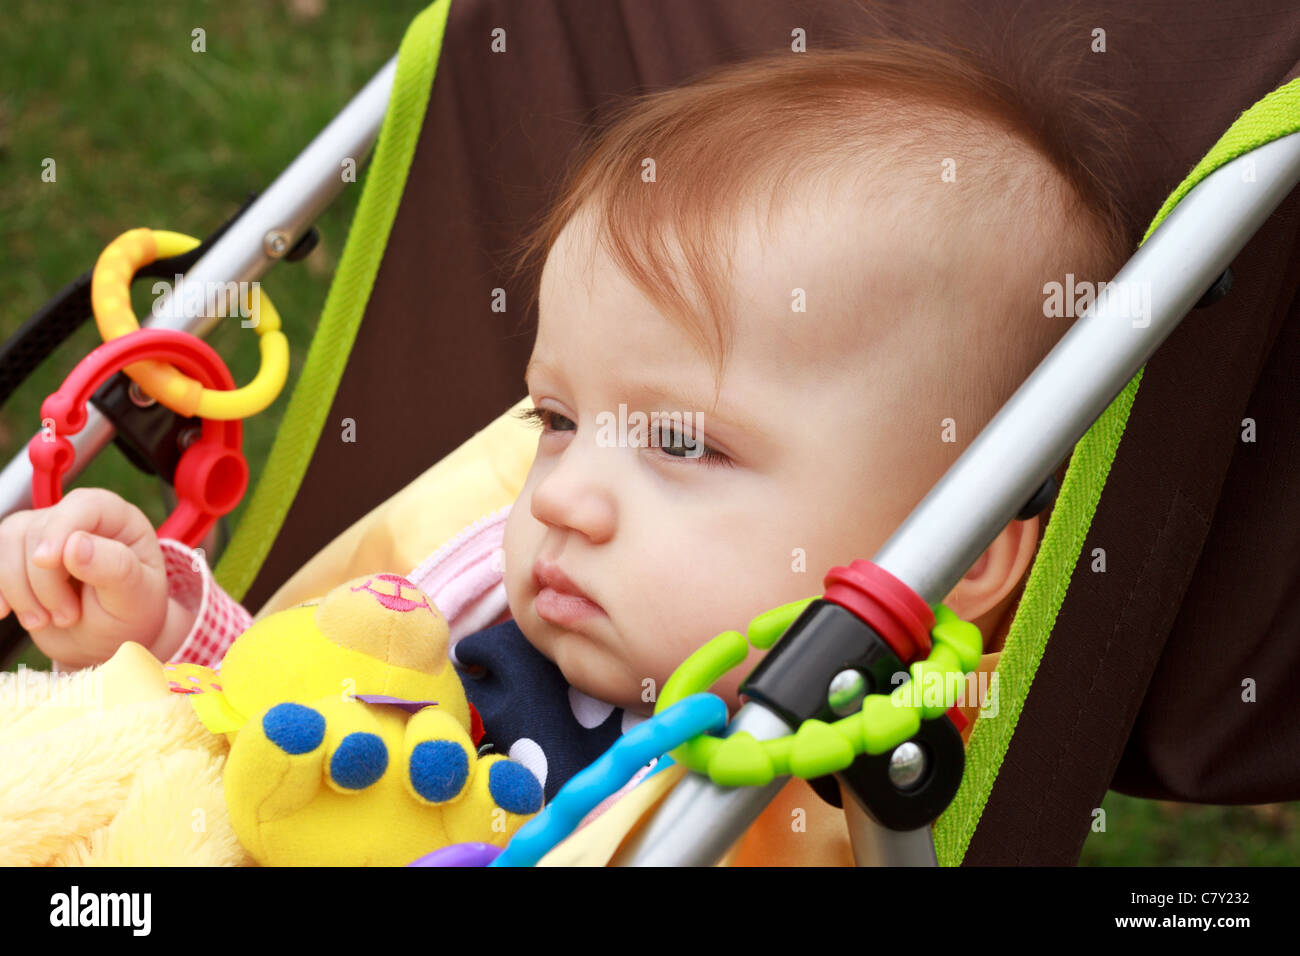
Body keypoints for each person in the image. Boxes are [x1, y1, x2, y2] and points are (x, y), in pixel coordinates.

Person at [0, 35, 1131, 863]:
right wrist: (151, 625)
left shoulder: (833, 804)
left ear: (956, 551)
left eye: (683, 443)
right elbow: (292, 709)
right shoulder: (484, 588)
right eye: (556, 419)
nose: (569, 496)